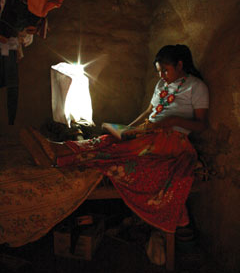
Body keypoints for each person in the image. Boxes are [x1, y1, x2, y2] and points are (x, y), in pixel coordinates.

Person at [21, 44, 209, 234]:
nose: (162, 76)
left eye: (165, 71)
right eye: (159, 72)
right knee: (107, 140)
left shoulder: (196, 87)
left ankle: (58, 156)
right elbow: (149, 112)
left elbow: (201, 124)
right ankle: (56, 149)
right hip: (149, 133)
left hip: (171, 141)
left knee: (112, 151)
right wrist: (129, 128)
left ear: (179, 65)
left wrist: (173, 121)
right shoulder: (162, 85)